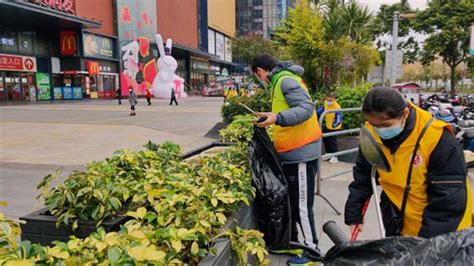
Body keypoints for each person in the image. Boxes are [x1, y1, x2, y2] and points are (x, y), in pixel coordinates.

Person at [345, 87, 471, 238]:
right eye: (374, 125)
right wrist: (354, 213)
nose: (379, 130)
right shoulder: (371, 133)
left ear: (404, 114)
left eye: (385, 125)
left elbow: (447, 201)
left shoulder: (438, 139)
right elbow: (364, 175)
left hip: (440, 230)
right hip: (398, 221)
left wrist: (425, 247)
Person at [252, 54, 323, 264]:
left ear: (260, 72)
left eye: (258, 77)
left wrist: (278, 118)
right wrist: (272, 115)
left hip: (301, 152)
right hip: (292, 152)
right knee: (293, 202)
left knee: (302, 204)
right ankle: (294, 243)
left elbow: (306, 108)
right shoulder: (280, 81)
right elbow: (287, 109)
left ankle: (312, 251)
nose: (259, 80)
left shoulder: (284, 80)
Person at [317, 92, 342, 164]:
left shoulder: (337, 107)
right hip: (328, 125)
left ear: (334, 99)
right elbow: (321, 110)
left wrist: (334, 125)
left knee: (332, 142)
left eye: (330, 100)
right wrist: (315, 113)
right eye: (327, 100)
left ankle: (334, 156)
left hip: (334, 127)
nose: (329, 102)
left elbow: (339, 118)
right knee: (326, 140)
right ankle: (328, 154)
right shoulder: (325, 104)